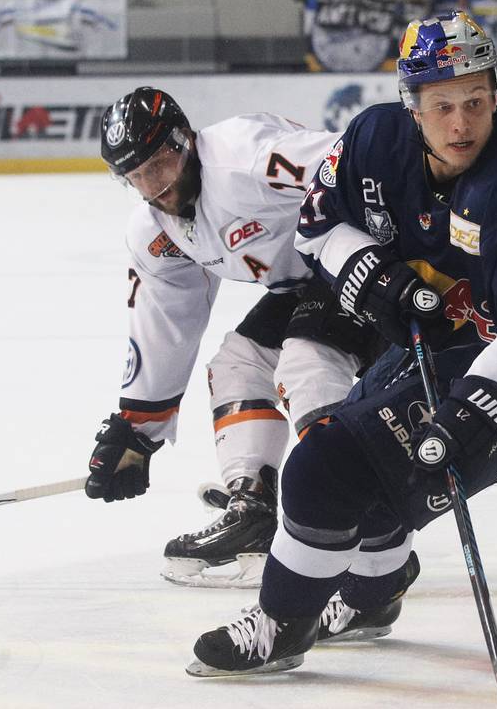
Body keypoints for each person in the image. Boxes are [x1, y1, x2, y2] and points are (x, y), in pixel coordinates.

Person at [186, 11, 497, 677]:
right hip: (444, 340)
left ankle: (282, 623)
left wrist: (479, 403)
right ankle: (368, 598)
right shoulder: (374, 139)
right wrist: (372, 273)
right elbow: (317, 222)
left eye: (475, 101)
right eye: (442, 105)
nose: (461, 124)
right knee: (374, 475)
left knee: (325, 468)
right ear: (411, 106)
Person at [84, 87, 417, 642]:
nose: (155, 186)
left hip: (368, 262)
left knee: (308, 363)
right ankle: (253, 505)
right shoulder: (155, 233)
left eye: (161, 163)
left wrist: (417, 247)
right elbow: (168, 323)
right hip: (307, 284)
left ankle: (354, 520)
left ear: (184, 141)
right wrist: (136, 433)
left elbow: (352, 160)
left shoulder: (244, 157)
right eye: (136, 176)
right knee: (237, 363)